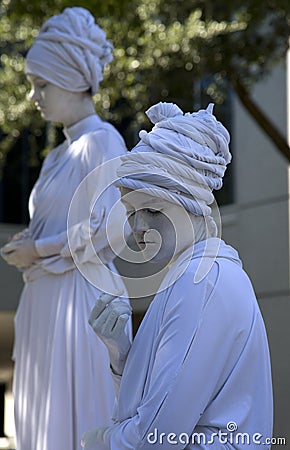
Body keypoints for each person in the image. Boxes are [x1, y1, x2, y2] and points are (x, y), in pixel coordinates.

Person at [83, 102, 273, 449]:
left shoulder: (202, 280)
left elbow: (155, 438)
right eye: (130, 211)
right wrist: (122, 354)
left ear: (195, 205)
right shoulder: (193, 276)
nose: (138, 228)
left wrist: (99, 441)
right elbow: (157, 413)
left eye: (153, 210)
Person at [0, 7, 131, 450]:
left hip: (79, 299)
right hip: (44, 299)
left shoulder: (103, 140)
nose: (34, 96)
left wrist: (38, 249)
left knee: (76, 420)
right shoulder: (58, 155)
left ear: (73, 78)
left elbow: (111, 228)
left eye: (42, 84)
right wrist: (30, 243)